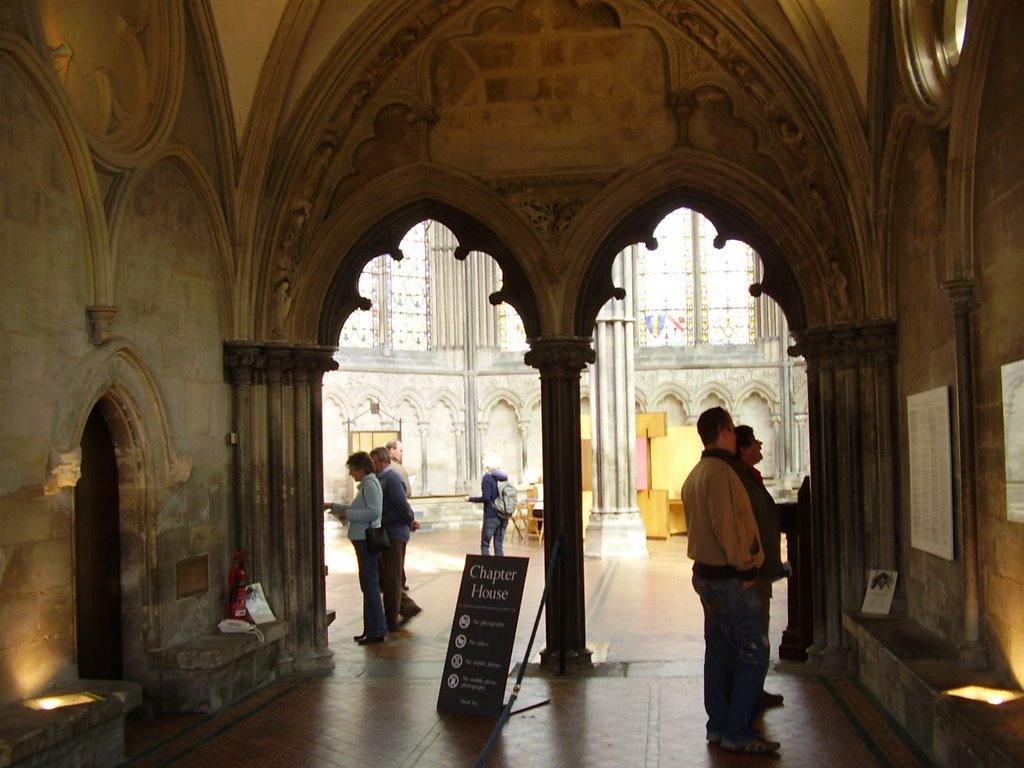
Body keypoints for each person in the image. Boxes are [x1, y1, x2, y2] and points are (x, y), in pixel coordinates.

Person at [681, 407, 779, 754]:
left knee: (720, 651)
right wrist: (748, 570)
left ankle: (718, 726)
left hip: (706, 576)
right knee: (754, 651)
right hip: (729, 579)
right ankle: (737, 730)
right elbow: (730, 528)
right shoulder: (721, 474)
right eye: (733, 428)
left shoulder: (697, 473)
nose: (737, 434)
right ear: (723, 430)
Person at [732, 425, 786, 710]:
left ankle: (756, 689)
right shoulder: (738, 479)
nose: (760, 446)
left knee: (759, 629)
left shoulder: (748, 476)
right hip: (751, 571)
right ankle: (747, 699)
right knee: (753, 634)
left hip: (760, 569)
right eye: (754, 442)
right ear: (742, 448)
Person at [324, 452, 388, 645]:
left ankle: (377, 631)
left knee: (370, 586)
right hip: (361, 539)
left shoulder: (370, 484)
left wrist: (348, 514)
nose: (351, 473)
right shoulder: (367, 484)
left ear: (361, 468)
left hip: (366, 540)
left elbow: (374, 511)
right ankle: (371, 629)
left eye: (352, 469)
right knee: (367, 586)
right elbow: (358, 507)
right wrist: (333, 506)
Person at [369, 446, 422, 632]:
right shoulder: (380, 478)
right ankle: (407, 607)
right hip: (387, 532)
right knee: (387, 576)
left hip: (394, 533)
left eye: (374, 461)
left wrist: (410, 521)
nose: (372, 465)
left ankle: (390, 619)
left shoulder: (391, 478)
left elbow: (401, 503)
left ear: (383, 461)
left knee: (391, 577)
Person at [465, 452, 509, 556]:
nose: (483, 461)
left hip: (491, 515)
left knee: (485, 544)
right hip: (503, 515)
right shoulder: (504, 477)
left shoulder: (487, 478)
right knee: (499, 546)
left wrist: (470, 499)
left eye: (484, 459)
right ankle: (500, 570)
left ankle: (487, 570)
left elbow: (486, 498)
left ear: (488, 463)